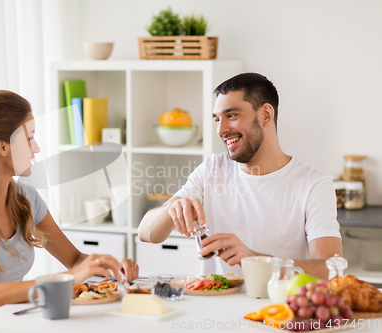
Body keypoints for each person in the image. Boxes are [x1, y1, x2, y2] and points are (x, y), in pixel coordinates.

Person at [0, 90, 139, 333]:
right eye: (30, 138)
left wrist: (105, 265)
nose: (36, 148)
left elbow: (74, 259)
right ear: (3, 147)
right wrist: (72, 277)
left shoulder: (25, 200)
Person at [138, 73, 341, 280]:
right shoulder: (212, 169)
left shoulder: (313, 184)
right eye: (217, 119)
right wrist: (171, 209)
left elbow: (331, 270)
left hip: (279, 309)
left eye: (232, 115)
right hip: (215, 307)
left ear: (265, 115)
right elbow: (146, 233)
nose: (221, 130)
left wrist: (255, 260)